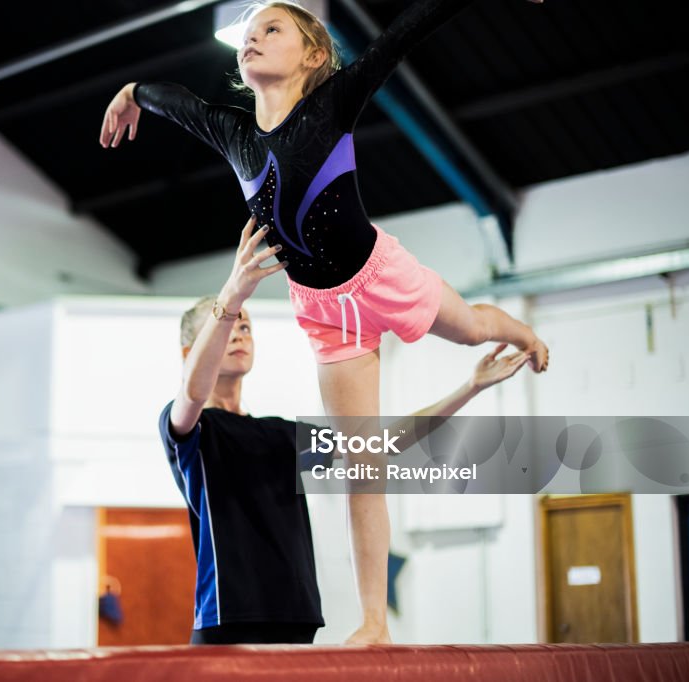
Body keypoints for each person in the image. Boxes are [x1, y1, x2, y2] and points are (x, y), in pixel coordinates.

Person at [105, 0, 548, 644]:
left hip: (380, 276)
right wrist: (130, 93)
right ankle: (374, 620)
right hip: (322, 312)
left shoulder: (332, 103)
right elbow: (178, 102)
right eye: (247, 33)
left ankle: (523, 331)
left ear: (313, 54)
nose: (252, 40)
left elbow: (405, 30)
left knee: (475, 328)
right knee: (363, 465)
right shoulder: (234, 134)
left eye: (272, 29)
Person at [160, 217, 530, 644]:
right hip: (229, 619)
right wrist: (233, 292)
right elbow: (192, 390)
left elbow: (379, 443)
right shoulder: (191, 430)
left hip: (295, 619)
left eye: (245, 326)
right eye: (226, 326)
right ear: (191, 349)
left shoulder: (281, 437)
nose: (239, 332)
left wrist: (469, 389)